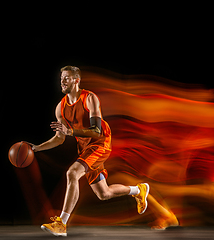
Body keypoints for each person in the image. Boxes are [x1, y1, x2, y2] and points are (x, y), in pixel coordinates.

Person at [29, 66, 149, 237]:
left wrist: (70, 131)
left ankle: (62, 223)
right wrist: (37, 148)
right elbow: (59, 138)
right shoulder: (60, 107)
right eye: (61, 78)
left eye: (67, 78)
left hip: (100, 143)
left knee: (72, 173)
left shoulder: (89, 98)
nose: (62, 81)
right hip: (86, 148)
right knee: (104, 193)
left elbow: (96, 131)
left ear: (76, 80)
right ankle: (138, 190)